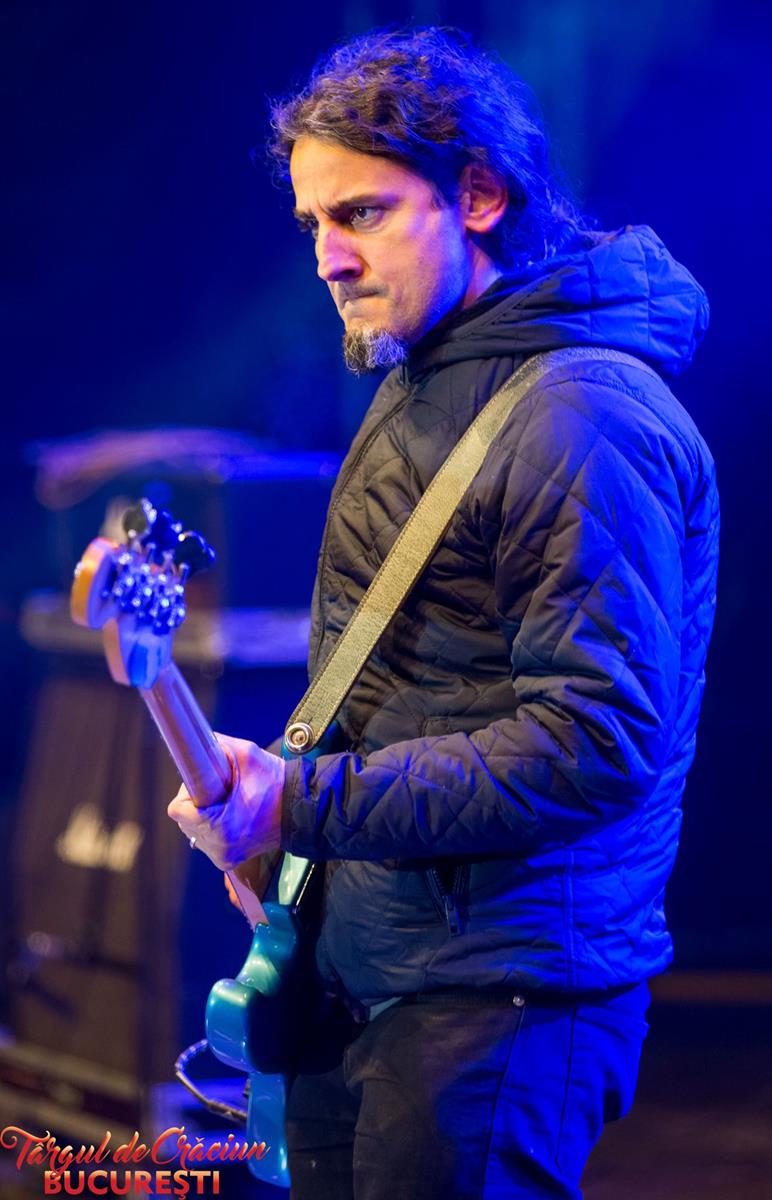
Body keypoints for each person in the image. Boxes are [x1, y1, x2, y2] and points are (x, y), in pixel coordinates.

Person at [168, 27, 719, 1200]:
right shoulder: (428, 372)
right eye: (312, 223)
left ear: (477, 195)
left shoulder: (582, 414)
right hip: (380, 969)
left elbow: (595, 741)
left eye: (361, 213)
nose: (329, 258)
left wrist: (304, 800)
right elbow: (414, 693)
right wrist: (284, 821)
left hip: (499, 1000)